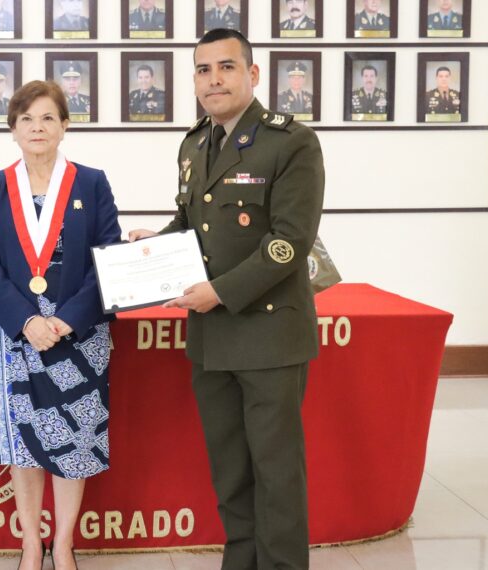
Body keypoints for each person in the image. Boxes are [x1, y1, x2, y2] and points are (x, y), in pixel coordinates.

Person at [128, 28, 324, 570]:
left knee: (276, 472)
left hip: (267, 335)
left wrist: (219, 291)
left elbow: (289, 243)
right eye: (203, 70)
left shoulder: (291, 142)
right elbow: (192, 225)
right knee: (231, 470)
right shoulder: (195, 143)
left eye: (226, 67)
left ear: (252, 74)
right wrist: (157, 244)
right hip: (212, 338)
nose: (213, 80)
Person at [0, 79, 120, 570]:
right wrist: (26, 321)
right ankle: (31, 543)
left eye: (48, 118)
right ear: (12, 129)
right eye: (27, 119)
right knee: (25, 444)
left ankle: (63, 543)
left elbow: (108, 258)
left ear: (65, 126)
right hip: (17, 334)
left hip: (79, 333)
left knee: (73, 442)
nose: (37, 127)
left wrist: (65, 321)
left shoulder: (91, 182)